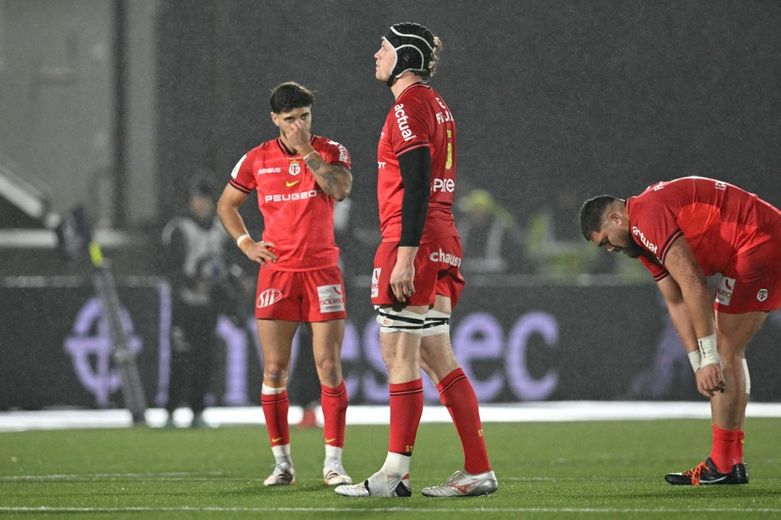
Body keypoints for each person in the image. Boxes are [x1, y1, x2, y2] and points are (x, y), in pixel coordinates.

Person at [336, 22, 498, 498]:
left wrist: (405, 254)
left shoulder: (408, 106)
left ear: (405, 58)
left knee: (398, 353)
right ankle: (478, 469)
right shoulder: (436, 103)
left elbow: (418, 177)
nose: (376, 54)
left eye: (384, 48)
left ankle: (394, 473)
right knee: (435, 354)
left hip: (415, 240)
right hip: (442, 235)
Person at [579, 176, 781, 486]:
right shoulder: (640, 239)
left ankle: (725, 463)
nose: (609, 250)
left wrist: (710, 358)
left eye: (606, 240)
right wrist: (697, 361)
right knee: (727, 351)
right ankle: (727, 462)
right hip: (757, 240)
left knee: (725, 352)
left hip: (758, 239)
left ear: (616, 218)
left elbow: (694, 282)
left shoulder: (646, 217)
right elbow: (675, 300)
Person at [216, 81, 353, 487]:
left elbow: (340, 189)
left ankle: (333, 463)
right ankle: (282, 464)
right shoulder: (256, 159)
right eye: (290, 119)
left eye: (305, 117)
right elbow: (227, 204)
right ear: (275, 119)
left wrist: (307, 150)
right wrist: (246, 244)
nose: (298, 126)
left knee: (329, 366)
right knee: (275, 369)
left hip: (322, 271)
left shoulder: (331, 150)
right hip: (277, 273)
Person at [160, 177, 231, 428]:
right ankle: (171, 410)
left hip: (207, 307)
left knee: (205, 360)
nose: (201, 204)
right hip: (184, 306)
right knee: (180, 358)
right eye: (198, 199)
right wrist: (190, 284)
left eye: (205, 200)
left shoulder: (220, 231)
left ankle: (198, 410)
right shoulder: (179, 229)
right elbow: (169, 268)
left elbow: (225, 266)